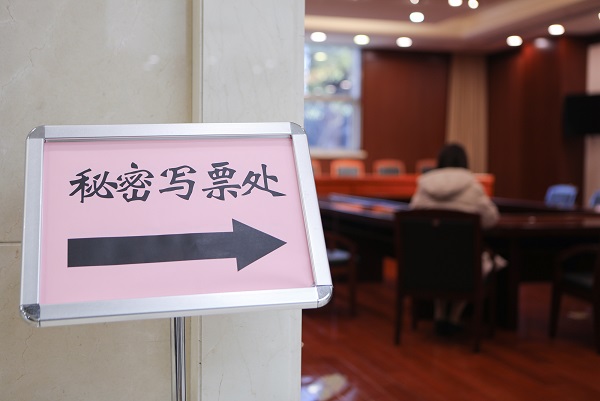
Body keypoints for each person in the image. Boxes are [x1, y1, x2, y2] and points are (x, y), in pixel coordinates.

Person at [409, 143, 503, 336]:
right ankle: (454, 317)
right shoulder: (473, 187)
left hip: (428, 265)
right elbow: (491, 219)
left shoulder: (424, 186)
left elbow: (413, 216)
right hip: (464, 266)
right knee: (475, 260)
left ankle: (439, 315)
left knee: (438, 254)